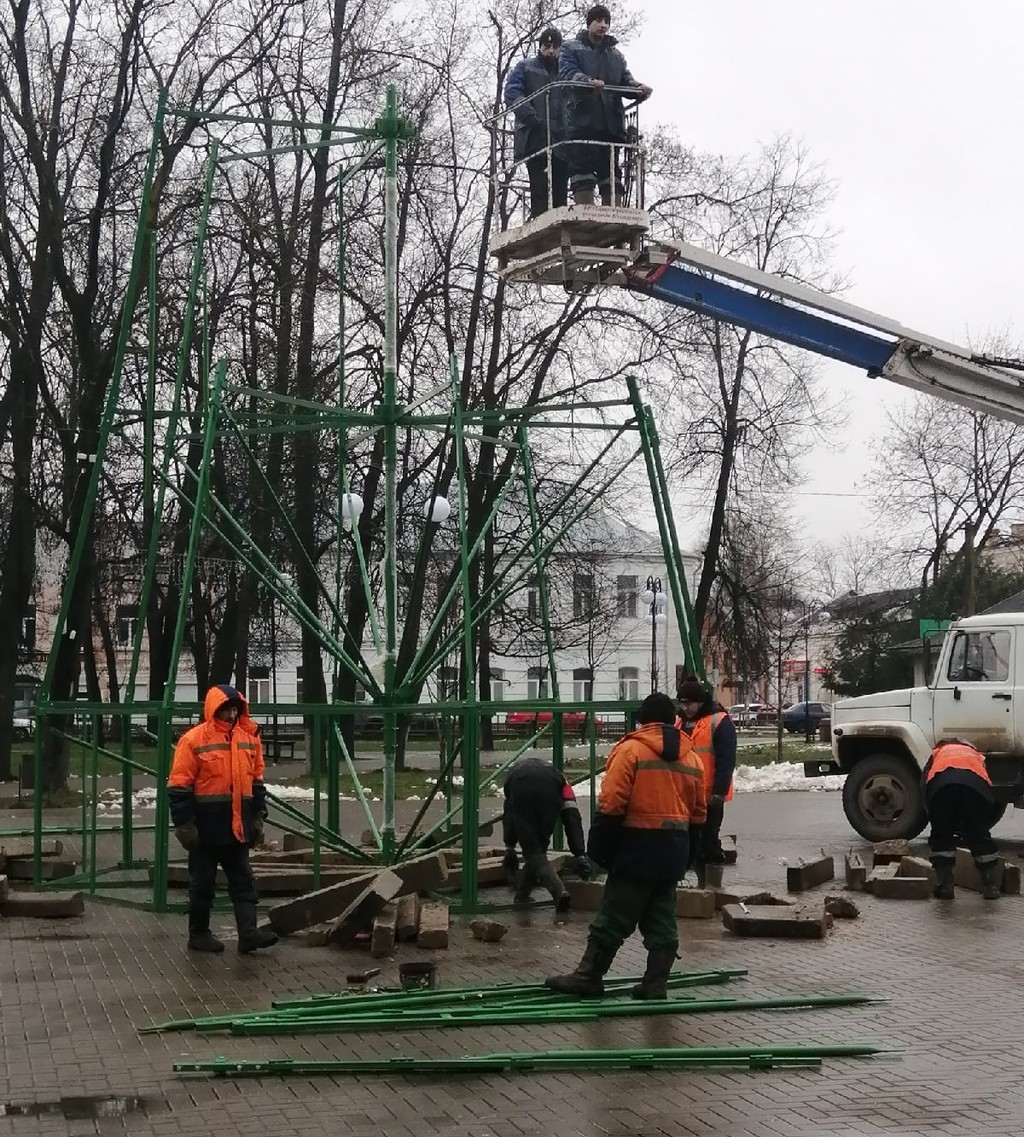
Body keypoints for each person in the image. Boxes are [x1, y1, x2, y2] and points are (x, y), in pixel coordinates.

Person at [544, 692, 706, 1000]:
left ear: (641, 720)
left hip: (637, 848)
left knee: (613, 916)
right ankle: (655, 982)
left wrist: (599, 852)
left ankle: (589, 976)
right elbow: (699, 814)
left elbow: (611, 804)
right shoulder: (692, 757)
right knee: (660, 918)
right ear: (672, 720)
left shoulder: (630, 750)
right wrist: (689, 855)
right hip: (674, 850)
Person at [167, 684, 279, 953]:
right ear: (214, 709)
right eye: (226, 709)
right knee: (202, 884)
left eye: (234, 709)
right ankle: (199, 934)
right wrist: (185, 825)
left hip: (237, 826)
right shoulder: (193, 740)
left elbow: (257, 781)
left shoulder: (249, 739)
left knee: (243, 881)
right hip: (205, 829)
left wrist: (257, 816)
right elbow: (179, 785)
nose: (230, 714)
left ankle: (248, 934)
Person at [558, 5, 651, 206]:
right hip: (581, 121)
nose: (603, 25)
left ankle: (613, 212)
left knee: (611, 173)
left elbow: (625, 81)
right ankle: (586, 212)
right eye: (599, 20)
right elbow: (568, 74)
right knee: (582, 170)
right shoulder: (570, 48)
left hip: (610, 124)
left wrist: (638, 89)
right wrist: (587, 81)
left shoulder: (616, 56)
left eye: (606, 21)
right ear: (589, 23)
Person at [502, 755, 592, 912]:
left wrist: (509, 847)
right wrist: (580, 854)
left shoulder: (514, 776)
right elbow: (572, 817)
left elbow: (509, 815)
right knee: (537, 849)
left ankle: (551, 892)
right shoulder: (562, 782)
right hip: (547, 790)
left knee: (534, 850)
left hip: (519, 784)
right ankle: (533, 895)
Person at [923, 737, 1002, 900]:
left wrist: (934, 816)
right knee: (979, 834)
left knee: (941, 835)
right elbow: (987, 785)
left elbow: (924, 784)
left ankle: (945, 886)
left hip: (943, 787)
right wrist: (979, 822)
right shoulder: (975, 754)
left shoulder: (938, 753)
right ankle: (990, 886)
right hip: (975, 787)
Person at [677, 678, 736, 889]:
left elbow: (726, 760)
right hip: (685, 795)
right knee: (691, 841)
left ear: (700, 702)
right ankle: (701, 884)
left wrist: (718, 792)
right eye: (682, 704)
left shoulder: (719, 721)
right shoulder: (678, 721)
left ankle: (712, 886)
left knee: (709, 840)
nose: (686, 708)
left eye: (689, 704)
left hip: (710, 796)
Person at [504, 27, 569, 217]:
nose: (551, 50)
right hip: (535, 137)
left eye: (555, 47)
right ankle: (541, 226)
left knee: (560, 194)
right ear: (540, 47)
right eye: (547, 46)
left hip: (561, 140)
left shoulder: (565, 73)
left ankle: (558, 230)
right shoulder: (525, 67)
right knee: (540, 190)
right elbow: (511, 93)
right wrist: (529, 115)